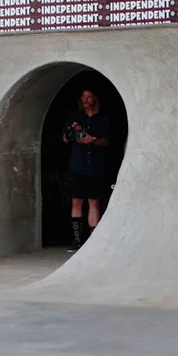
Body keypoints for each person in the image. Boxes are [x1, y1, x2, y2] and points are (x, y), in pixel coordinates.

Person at [62, 89, 112, 252]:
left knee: (94, 201)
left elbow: (108, 141)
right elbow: (65, 138)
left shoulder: (103, 119)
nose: (86, 99)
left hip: (96, 165)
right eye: (83, 96)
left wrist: (93, 139)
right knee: (76, 201)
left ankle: (93, 241)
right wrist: (73, 131)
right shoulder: (75, 117)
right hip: (78, 164)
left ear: (95, 98)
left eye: (89, 96)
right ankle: (77, 240)